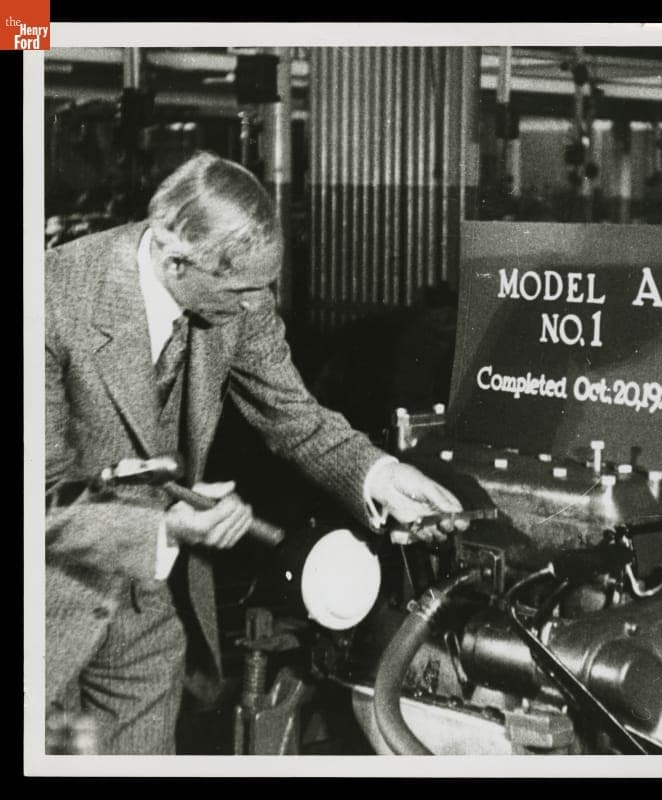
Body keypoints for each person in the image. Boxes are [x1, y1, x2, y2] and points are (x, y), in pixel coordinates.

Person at [44, 151, 466, 754]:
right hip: (51, 610)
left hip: (147, 619)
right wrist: (164, 528)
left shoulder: (242, 299)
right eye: (239, 289)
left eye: (262, 288)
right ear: (175, 257)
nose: (253, 305)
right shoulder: (53, 298)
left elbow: (292, 413)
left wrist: (381, 471)